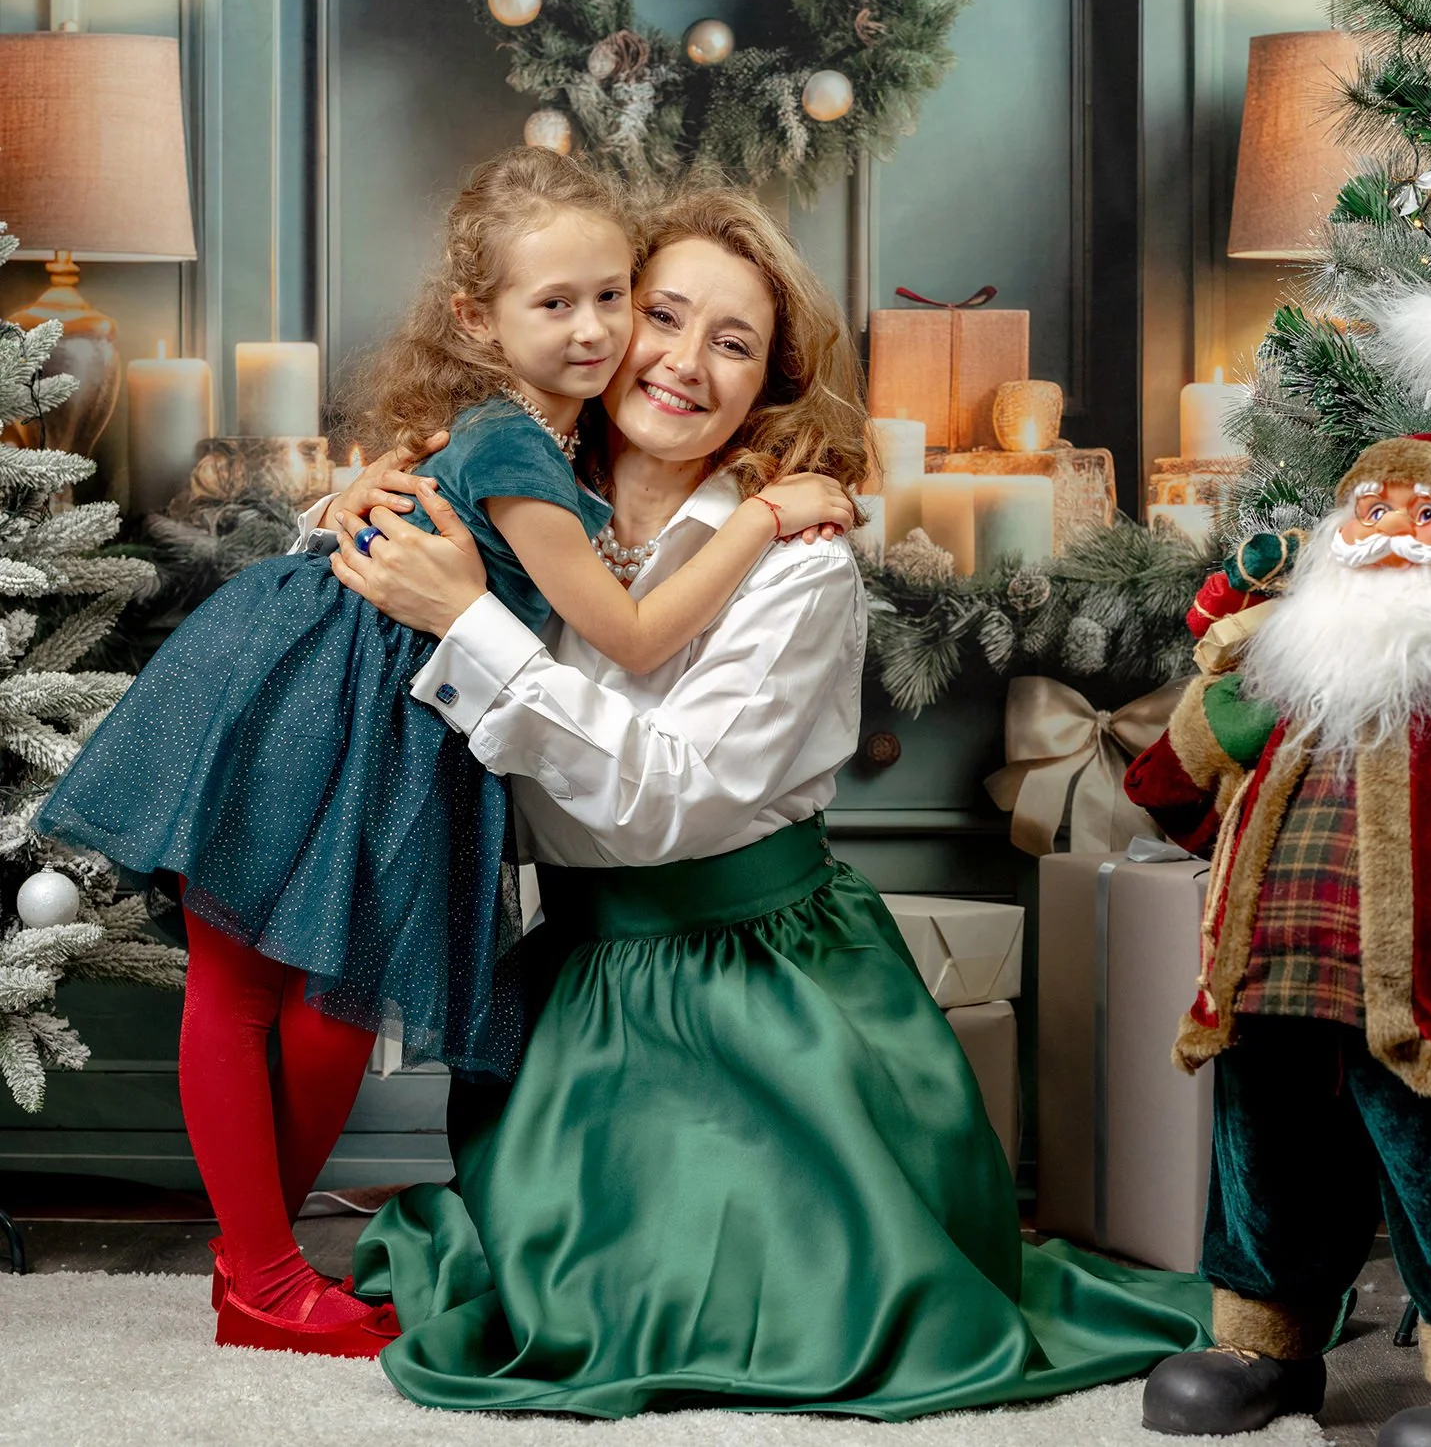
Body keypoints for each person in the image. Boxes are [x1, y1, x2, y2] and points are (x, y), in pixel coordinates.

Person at [316, 182, 1214, 1418]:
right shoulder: (513, 497)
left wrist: (465, 621)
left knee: (768, 1301)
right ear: (600, 323)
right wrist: (354, 505)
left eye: (732, 343)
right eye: (662, 316)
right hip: (581, 985)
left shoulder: (800, 561)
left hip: (771, 994)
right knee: (570, 1301)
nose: (684, 363)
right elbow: (342, 591)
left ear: (773, 384)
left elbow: (667, 806)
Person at [35, 149, 848, 1359]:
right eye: (569, 303)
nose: (607, 333)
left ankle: (252, 1264)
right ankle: (258, 1271)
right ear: (479, 318)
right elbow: (620, 628)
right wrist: (770, 519)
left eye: (613, 297)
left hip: (396, 717)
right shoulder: (523, 445)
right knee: (253, 984)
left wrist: (368, 496)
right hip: (317, 693)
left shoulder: (554, 447)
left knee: (333, 1002)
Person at [1125, 433, 1431, 1446]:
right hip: (1266, 981)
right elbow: (1165, 789)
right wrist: (1220, 710)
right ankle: (1264, 1342)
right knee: (1266, 1163)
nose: (1393, 535)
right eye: (1374, 512)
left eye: (1427, 516)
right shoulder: (1282, 669)